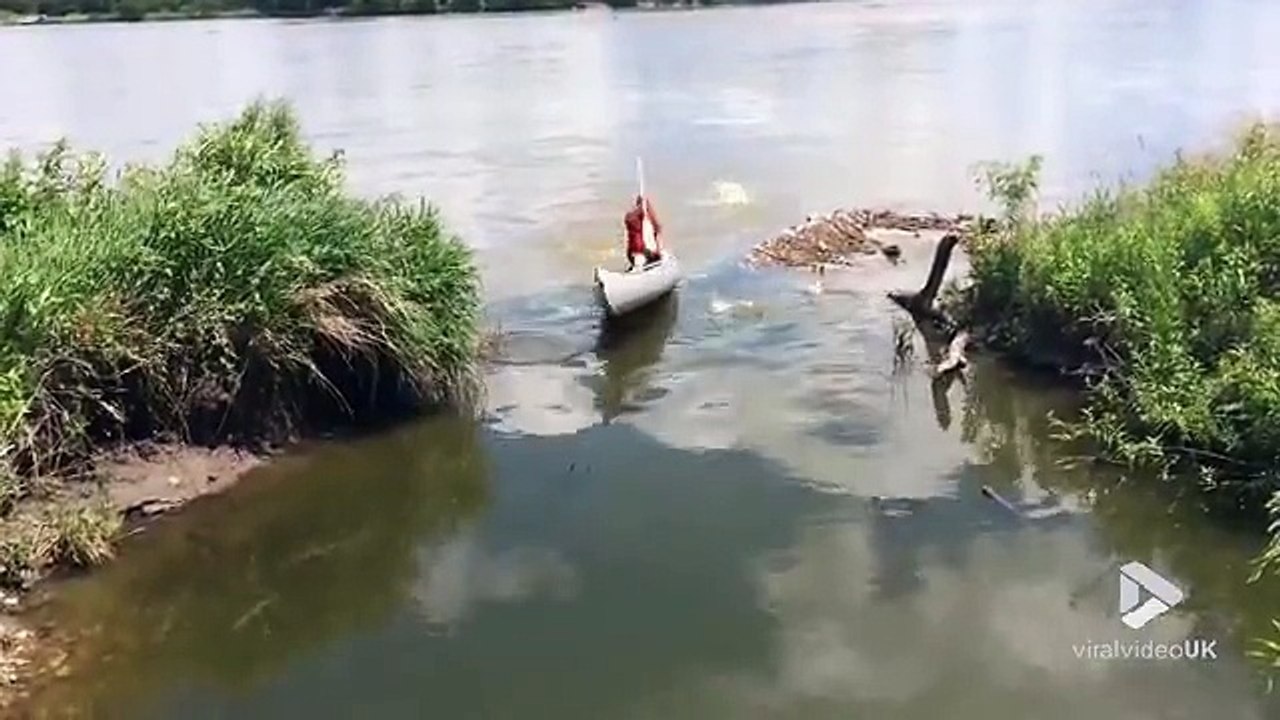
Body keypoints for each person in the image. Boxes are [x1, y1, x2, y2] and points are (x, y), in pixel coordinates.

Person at [624, 194, 663, 271]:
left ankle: (638, 268)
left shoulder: (632, 218)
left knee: (650, 257)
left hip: (636, 252)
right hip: (640, 251)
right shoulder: (640, 220)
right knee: (644, 258)